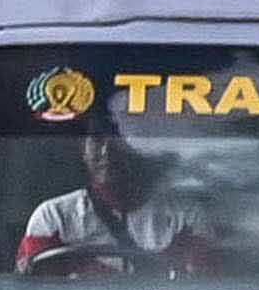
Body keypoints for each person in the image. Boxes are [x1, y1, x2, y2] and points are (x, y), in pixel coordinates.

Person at [18, 118, 220, 280]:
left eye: (118, 140)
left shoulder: (187, 217)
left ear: (141, 150)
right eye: (97, 141)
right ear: (83, 150)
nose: (107, 152)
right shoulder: (53, 218)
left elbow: (200, 285)